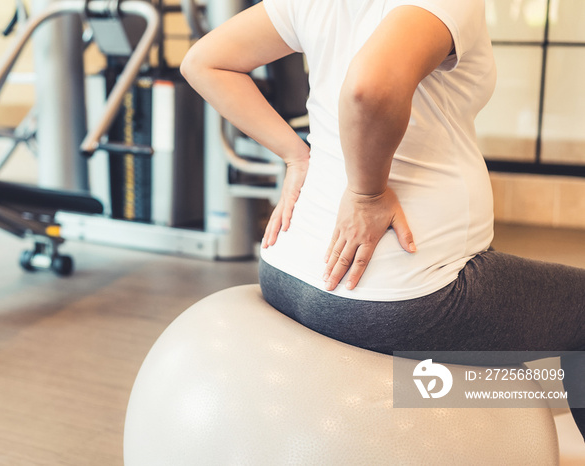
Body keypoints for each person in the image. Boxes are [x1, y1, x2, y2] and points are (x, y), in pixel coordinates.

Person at [180, 0, 585, 440]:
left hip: (287, 271)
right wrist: (366, 194)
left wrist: (295, 155)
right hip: (397, 297)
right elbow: (370, 87)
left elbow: (204, 61)